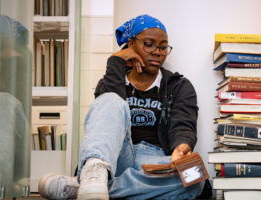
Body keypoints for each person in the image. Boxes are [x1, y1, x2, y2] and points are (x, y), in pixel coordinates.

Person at [38, 14, 206, 199]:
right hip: (116, 157)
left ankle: (81, 188)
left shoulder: (178, 85)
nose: (157, 51)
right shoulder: (110, 82)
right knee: (109, 99)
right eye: (149, 44)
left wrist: (181, 147)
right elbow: (104, 119)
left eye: (163, 46)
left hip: (155, 159)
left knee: (195, 177)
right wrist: (116, 61)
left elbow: (184, 122)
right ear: (131, 45)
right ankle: (96, 174)